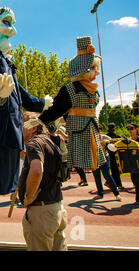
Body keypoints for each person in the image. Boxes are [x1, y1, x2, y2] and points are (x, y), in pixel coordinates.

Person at [0, 7, 53, 195]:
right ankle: (1, 188)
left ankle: (11, 187)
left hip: (13, 125)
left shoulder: (8, 63)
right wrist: (0, 95)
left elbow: (20, 93)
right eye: (6, 23)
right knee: (2, 173)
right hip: (1, 123)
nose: (13, 31)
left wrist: (40, 103)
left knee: (12, 166)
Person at [39, 37, 107, 186]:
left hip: (92, 129)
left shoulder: (94, 92)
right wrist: (40, 120)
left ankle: (104, 184)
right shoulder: (70, 90)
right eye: (94, 69)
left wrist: (98, 126)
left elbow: (95, 111)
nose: (97, 73)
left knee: (98, 160)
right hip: (78, 130)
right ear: (84, 70)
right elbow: (56, 109)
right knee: (81, 158)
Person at [18, 115, 68, 251]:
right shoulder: (50, 141)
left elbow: (36, 170)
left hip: (42, 213)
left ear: (33, 127)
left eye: (21, 123)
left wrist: (28, 197)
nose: (18, 127)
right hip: (57, 207)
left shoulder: (35, 143)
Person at [94, 125, 121, 201]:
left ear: (100, 130)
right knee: (97, 177)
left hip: (104, 158)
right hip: (94, 159)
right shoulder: (90, 138)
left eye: (98, 129)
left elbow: (115, 143)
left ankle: (116, 193)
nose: (96, 131)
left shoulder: (105, 137)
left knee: (107, 175)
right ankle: (100, 193)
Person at [106, 123, 124, 190]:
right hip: (116, 156)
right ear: (114, 129)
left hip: (108, 155)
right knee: (116, 170)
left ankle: (109, 182)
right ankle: (118, 185)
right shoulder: (117, 137)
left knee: (113, 171)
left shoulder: (106, 136)